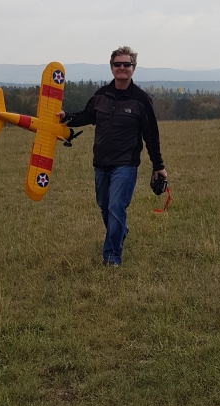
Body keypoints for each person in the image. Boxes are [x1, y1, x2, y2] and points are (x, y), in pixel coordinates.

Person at [58, 46, 167, 267]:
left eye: (126, 64)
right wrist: (66, 116)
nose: (122, 68)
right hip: (100, 162)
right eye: (117, 64)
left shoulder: (141, 101)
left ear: (133, 68)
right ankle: (120, 230)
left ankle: (111, 257)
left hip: (125, 164)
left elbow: (151, 136)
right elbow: (86, 116)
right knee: (104, 205)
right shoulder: (101, 95)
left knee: (116, 207)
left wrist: (159, 166)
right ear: (111, 67)